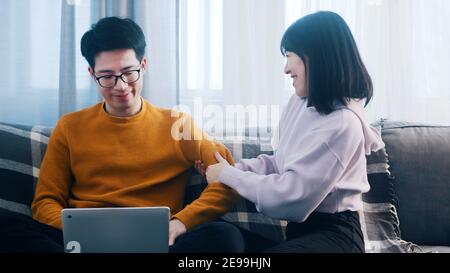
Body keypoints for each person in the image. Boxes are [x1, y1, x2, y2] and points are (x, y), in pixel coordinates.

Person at [0, 17, 244, 253]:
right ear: (92, 74)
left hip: (159, 240)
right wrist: (79, 231)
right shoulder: (69, 127)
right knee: (7, 228)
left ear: (144, 65)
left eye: (129, 72)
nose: (121, 85)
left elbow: (228, 179)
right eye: (107, 76)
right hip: (81, 241)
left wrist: (180, 222)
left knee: (225, 236)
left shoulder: (178, 124)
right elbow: (45, 202)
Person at [198, 11, 385, 253]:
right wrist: (229, 169)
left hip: (337, 237)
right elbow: (280, 163)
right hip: (301, 235)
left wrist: (228, 175)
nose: (286, 69)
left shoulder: (343, 123)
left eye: (289, 56)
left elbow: (290, 199)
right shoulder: (300, 103)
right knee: (217, 236)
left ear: (315, 58)